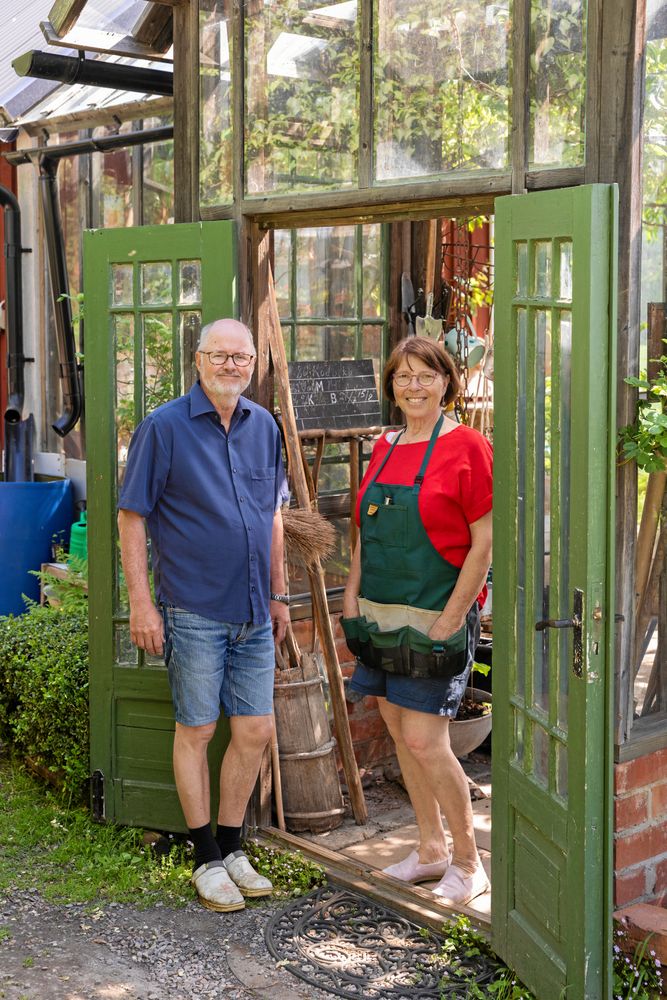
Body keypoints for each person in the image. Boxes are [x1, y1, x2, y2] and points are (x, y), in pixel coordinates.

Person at [118, 318, 290, 914]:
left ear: (252, 366)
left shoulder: (263, 426)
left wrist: (278, 593)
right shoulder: (164, 428)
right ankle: (204, 857)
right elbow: (132, 516)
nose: (232, 366)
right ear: (198, 360)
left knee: (255, 731)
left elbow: (273, 515)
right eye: (221, 356)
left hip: (252, 609)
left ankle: (235, 845)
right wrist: (142, 603)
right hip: (191, 606)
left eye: (242, 358)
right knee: (197, 729)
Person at [342, 335, 492, 907]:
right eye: (403, 376)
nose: (414, 386)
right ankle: (429, 849)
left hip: (436, 618)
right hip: (379, 618)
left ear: (448, 382)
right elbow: (365, 531)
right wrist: (352, 595)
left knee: (428, 741)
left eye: (426, 375)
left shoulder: (469, 448)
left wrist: (453, 617)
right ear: (392, 386)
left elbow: (483, 544)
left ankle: (468, 861)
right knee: (399, 732)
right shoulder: (384, 445)